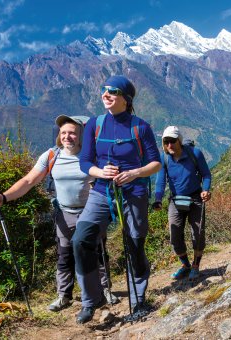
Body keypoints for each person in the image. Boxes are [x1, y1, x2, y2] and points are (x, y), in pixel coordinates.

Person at [0, 114, 119, 312]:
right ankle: (64, 295)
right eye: (63, 132)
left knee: (96, 252)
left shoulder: (92, 156)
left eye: (72, 133)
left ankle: (104, 290)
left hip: (90, 212)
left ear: (82, 135)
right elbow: (28, 181)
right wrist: (4, 197)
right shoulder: (51, 155)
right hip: (63, 213)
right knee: (64, 254)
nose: (67, 137)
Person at [72, 75, 161, 324]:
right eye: (104, 89)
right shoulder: (94, 124)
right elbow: (85, 161)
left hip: (134, 193)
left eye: (113, 91)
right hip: (101, 191)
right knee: (81, 240)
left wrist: (134, 173)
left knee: (135, 244)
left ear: (126, 99)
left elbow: (156, 163)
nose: (106, 94)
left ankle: (139, 299)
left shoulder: (140, 127)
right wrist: (101, 172)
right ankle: (92, 300)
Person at [153, 126, 212, 281]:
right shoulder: (165, 158)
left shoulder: (195, 154)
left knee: (198, 234)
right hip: (176, 200)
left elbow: (206, 175)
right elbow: (160, 181)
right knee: (174, 236)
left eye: (172, 141)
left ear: (179, 141)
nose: (169, 145)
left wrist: (205, 190)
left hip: (195, 198)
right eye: (166, 142)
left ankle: (195, 266)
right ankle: (185, 265)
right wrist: (158, 199)